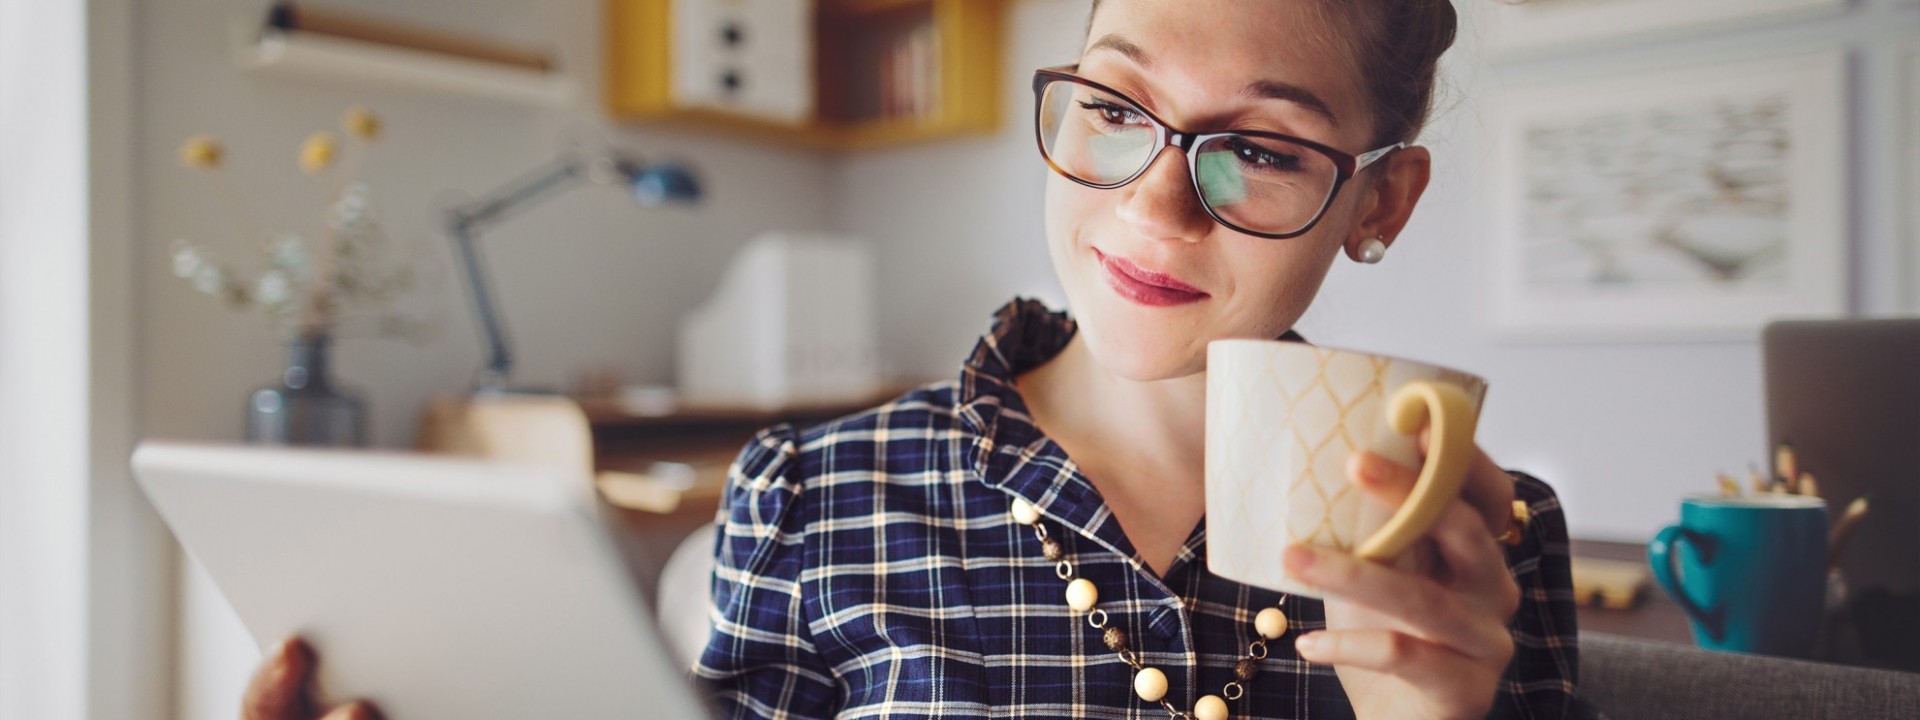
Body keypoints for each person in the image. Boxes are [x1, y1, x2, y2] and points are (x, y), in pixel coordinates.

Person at [244, 1, 1591, 718]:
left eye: (1263, 149)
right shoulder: (804, 498)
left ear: (1381, 202)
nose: (1154, 207)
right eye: (1117, 110)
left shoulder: (1493, 543)